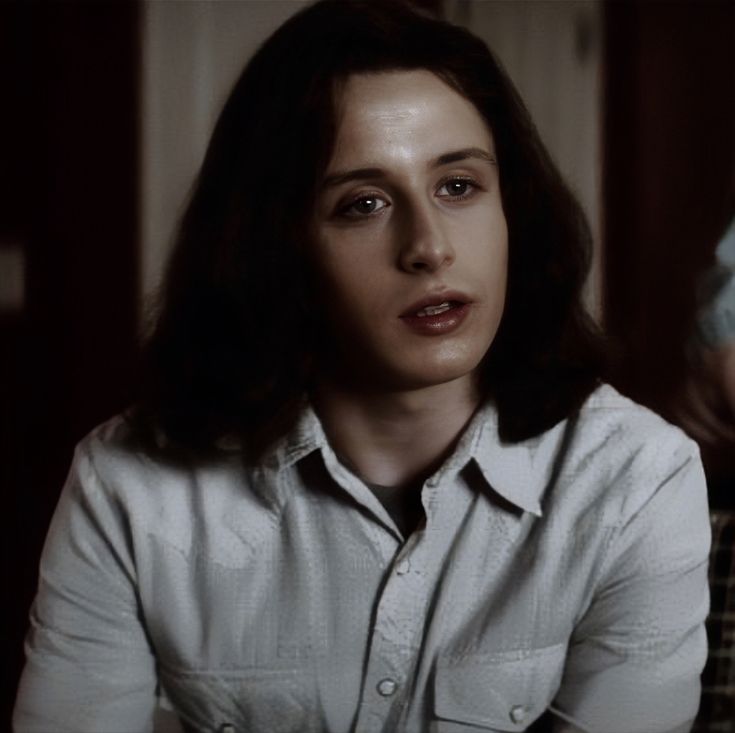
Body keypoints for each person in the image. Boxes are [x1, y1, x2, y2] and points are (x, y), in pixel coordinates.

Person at [14, 1, 710, 731]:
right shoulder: (129, 488)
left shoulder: (635, 480)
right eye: (363, 203)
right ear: (274, 245)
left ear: (514, 209)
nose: (428, 246)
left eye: (457, 186)